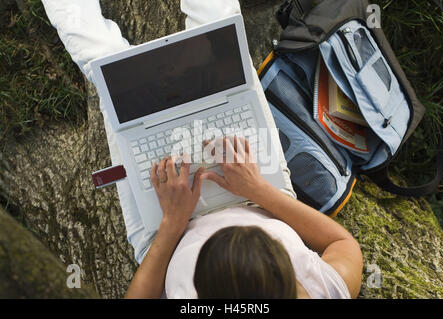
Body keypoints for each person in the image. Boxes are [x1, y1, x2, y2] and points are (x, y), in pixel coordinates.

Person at [42, 0, 363, 299]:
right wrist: (258, 189)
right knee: (222, 36)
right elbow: (342, 243)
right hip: (258, 193)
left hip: (167, 227)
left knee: (104, 59)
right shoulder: (321, 290)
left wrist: (173, 222)